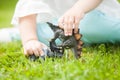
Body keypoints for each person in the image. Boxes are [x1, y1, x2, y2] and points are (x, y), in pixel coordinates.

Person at [0, 0, 120, 57]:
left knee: (93, 27)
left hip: (95, 15)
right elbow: (27, 8)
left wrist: (78, 9)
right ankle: (17, 34)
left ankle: (20, 33)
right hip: (57, 24)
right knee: (41, 34)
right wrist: (30, 40)